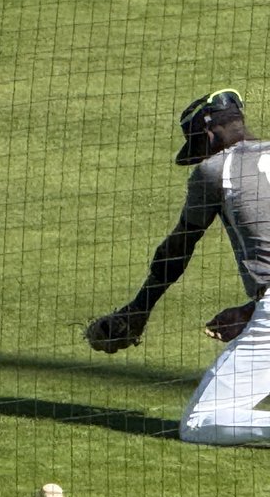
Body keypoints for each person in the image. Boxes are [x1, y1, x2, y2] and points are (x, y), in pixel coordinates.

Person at [86, 88, 270, 445]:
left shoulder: (217, 169)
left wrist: (138, 310)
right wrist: (252, 308)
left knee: (199, 423)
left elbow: (177, 249)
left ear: (207, 134)